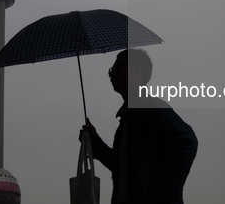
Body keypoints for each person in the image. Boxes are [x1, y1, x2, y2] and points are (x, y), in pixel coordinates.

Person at [80, 49, 198, 204]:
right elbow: (124, 167)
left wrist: (168, 195)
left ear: (137, 71)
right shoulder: (128, 118)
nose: (111, 73)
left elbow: (187, 142)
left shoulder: (149, 107)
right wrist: (96, 144)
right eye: (111, 69)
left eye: (118, 66)